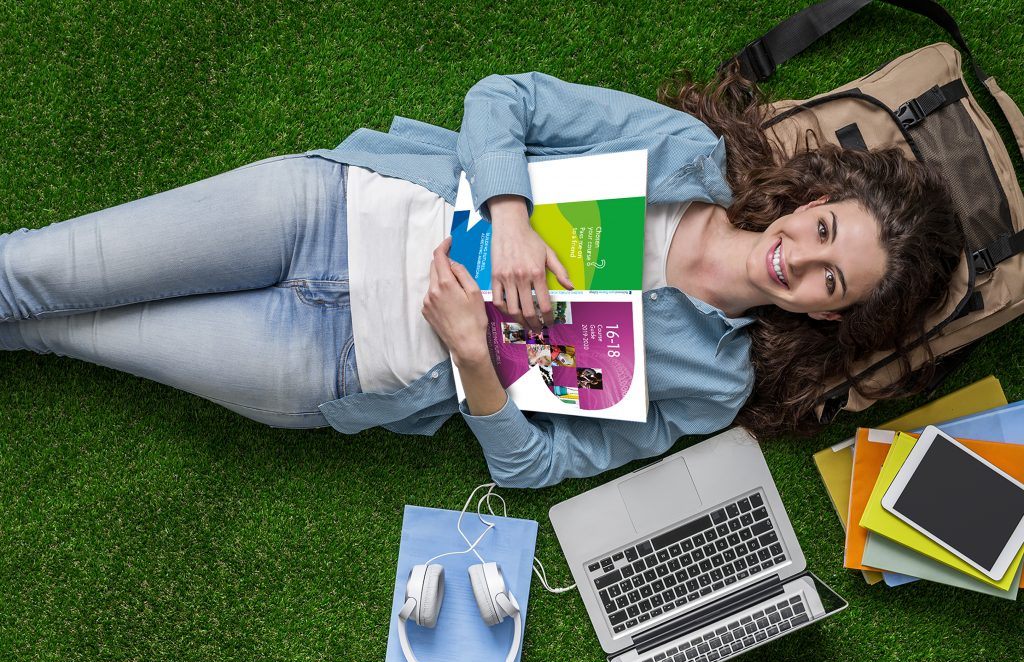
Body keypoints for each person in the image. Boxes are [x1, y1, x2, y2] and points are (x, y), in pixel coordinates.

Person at [0, 67, 962, 488]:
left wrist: (475, 363)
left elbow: (537, 468)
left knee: (52, 328)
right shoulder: (683, 154)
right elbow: (505, 99)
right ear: (812, 198)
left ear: (833, 315)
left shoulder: (713, 387)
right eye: (824, 229)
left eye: (832, 281)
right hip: (331, 210)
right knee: (35, 269)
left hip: (331, 364)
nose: (802, 258)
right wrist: (508, 215)